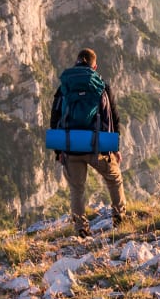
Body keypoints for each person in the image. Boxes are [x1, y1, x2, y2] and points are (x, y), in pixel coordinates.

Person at [50, 47, 126, 237]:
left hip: (70, 145)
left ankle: (81, 230)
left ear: (76, 62)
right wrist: (113, 148)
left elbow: (55, 116)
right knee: (114, 179)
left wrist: (59, 151)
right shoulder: (101, 85)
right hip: (97, 145)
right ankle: (120, 219)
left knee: (77, 189)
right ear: (94, 65)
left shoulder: (65, 85)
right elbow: (113, 117)